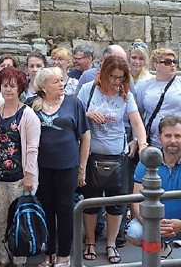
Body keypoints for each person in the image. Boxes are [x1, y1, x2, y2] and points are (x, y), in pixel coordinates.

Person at [77, 56, 147, 264]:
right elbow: (75, 114)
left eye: (121, 77)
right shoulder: (88, 89)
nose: (117, 81)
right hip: (91, 155)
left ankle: (111, 243)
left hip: (117, 155)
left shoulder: (126, 95)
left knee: (116, 204)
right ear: (104, 73)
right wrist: (89, 114)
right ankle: (90, 241)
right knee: (90, 202)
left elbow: (137, 122)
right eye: (113, 76)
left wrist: (142, 143)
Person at [29, 67, 90, 267]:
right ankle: (48, 252)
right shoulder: (32, 106)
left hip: (68, 165)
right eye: (56, 81)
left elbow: (85, 136)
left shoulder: (74, 103)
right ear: (44, 86)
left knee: (65, 209)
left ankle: (64, 254)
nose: (61, 84)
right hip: (41, 167)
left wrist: (82, 167)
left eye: (62, 80)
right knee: (46, 208)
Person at [0, 67, 40, 267]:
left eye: (12, 86)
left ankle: (19, 257)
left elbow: (32, 148)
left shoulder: (27, 114)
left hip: (19, 178)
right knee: (0, 220)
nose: (8, 89)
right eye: (4, 85)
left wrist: (29, 175)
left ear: (20, 88)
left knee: (19, 220)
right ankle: (2, 254)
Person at [127, 114, 181, 245]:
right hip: (152, 220)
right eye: (168, 136)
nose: (173, 140)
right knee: (135, 232)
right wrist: (151, 223)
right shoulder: (147, 160)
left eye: (178, 136)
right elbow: (136, 199)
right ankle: (161, 252)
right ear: (159, 138)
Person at [136, 47, 181, 149]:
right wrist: (137, 140)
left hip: (177, 142)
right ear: (156, 65)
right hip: (154, 142)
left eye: (174, 62)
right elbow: (138, 115)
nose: (173, 65)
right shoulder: (145, 87)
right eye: (168, 62)